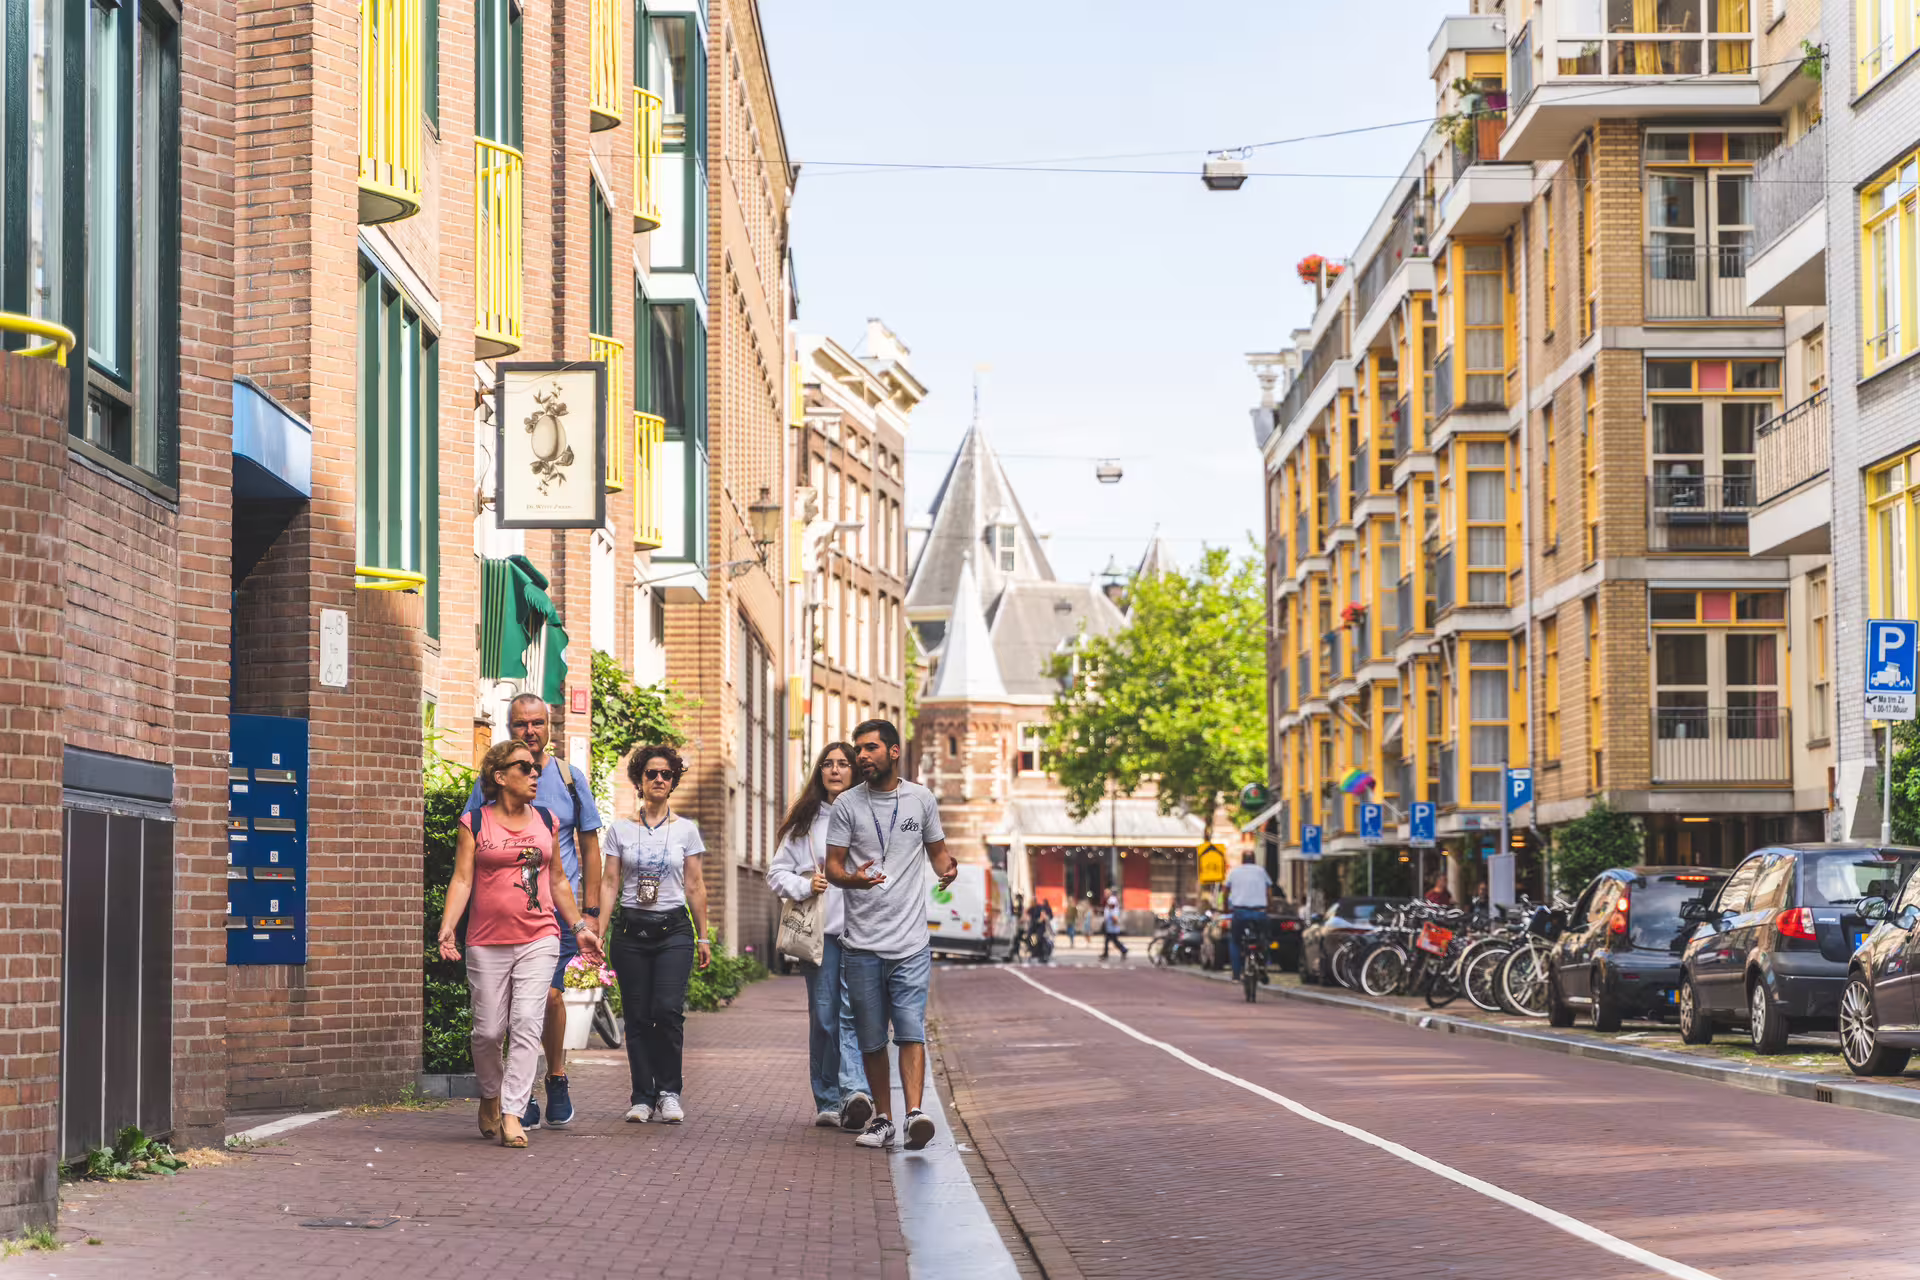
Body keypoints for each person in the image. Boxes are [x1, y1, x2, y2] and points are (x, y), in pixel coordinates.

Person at [438, 740, 601, 1148]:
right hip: (486, 940)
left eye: (535, 768)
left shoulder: (546, 819)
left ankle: (513, 1112)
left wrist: (579, 925)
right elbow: (462, 879)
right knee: (489, 1031)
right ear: (499, 776)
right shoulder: (474, 822)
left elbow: (559, 880)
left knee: (527, 1022)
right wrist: (448, 927)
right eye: (524, 768)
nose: (535, 774)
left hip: (539, 937)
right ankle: (490, 1097)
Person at [825, 719, 958, 1151]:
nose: (861, 756)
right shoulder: (847, 804)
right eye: (858, 750)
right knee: (870, 1037)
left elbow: (938, 855)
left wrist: (948, 871)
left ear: (893, 752)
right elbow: (832, 868)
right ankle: (883, 1117)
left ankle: (915, 1113)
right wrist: (853, 881)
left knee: (909, 1030)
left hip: (910, 944)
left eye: (870, 749)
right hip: (861, 943)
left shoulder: (920, 799)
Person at [598, 745, 710, 1124]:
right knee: (637, 1014)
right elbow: (610, 882)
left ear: (673, 781)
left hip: (673, 931)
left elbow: (695, 886)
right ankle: (642, 1097)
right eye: (651, 774)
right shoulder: (621, 829)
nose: (659, 779)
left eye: (666, 774)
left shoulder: (686, 831)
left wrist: (704, 937)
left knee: (667, 1010)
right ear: (640, 781)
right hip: (629, 932)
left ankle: (669, 1091)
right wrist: (598, 931)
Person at [767, 742, 873, 1132]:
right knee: (826, 1019)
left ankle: (855, 1093)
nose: (835, 770)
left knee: (859, 1016)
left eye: (843, 764)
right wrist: (805, 884)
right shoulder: (806, 823)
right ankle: (829, 1098)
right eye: (828, 764)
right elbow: (776, 873)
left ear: (855, 771)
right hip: (822, 937)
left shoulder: (869, 815)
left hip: (866, 936)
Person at [1223, 850, 1275, 982]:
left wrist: (1225, 908)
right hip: (1259, 912)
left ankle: (1236, 974)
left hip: (1240, 912)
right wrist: (1269, 906)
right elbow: (1269, 890)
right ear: (1254, 860)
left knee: (1235, 941)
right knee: (1265, 938)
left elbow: (1225, 891)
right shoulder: (1261, 871)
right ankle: (1263, 965)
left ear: (1242, 860)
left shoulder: (1234, 872)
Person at [1100, 890, 1128, 960]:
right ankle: (1106, 953)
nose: (1105, 895)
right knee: (1110, 940)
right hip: (1110, 924)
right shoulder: (1110, 900)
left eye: (1106, 893)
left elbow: (1113, 912)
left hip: (1112, 925)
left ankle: (1123, 950)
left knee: (1113, 940)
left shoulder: (1111, 900)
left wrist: (1114, 921)